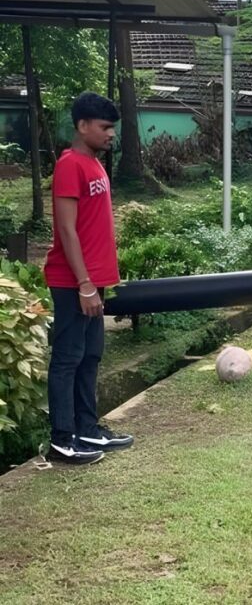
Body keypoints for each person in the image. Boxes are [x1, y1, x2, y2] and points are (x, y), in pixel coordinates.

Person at [44, 92, 133, 465]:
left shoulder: (95, 164)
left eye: (113, 127)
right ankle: (62, 440)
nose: (111, 133)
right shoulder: (70, 165)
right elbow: (66, 230)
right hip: (72, 282)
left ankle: (86, 429)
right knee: (68, 357)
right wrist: (83, 283)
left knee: (91, 355)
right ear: (82, 126)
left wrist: (95, 282)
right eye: (105, 127)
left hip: (93, 282)